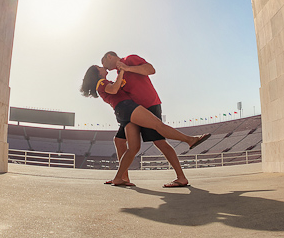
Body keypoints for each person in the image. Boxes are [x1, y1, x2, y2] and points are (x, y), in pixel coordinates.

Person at [80, 64, 210, 187]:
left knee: (133, 148)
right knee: (158, 125)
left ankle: (119, 178)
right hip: (127, 107)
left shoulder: (103, 83)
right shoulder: (101, 83)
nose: (103, 67)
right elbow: (114, 90)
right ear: (96, 74)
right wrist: (123, 71)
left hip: (123, 112)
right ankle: (189, 140)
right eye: (99, 67)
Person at [101, 51, 195, 188]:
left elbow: (150, 70)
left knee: (159, 142)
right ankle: (122, 177)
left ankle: (181, 177)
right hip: (134, 112)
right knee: (119, 140)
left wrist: (127, 68)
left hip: (149, 104)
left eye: (103, 63)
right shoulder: (119, 74)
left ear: (109, 56)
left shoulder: (129, 59)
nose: (105, 68)